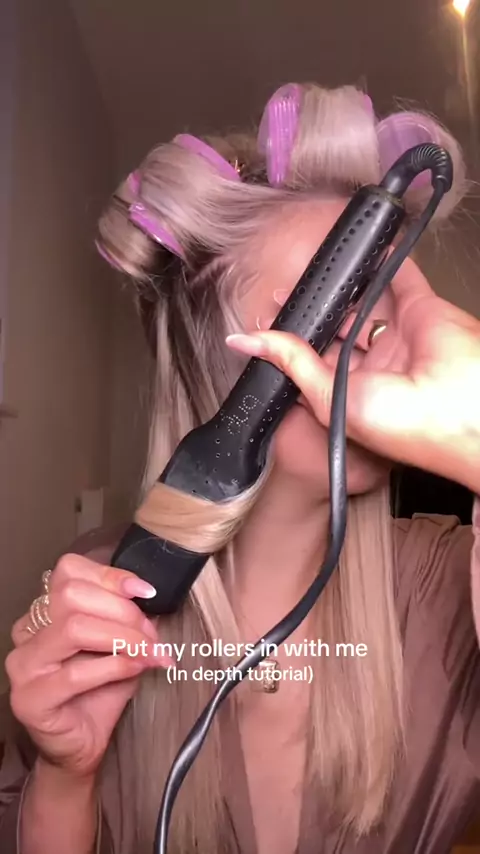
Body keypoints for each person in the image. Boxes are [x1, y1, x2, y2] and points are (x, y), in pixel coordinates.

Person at [1, 82, 480, 854]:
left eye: (386, 314)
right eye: (331, 311)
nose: (379, 350)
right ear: (210, 367)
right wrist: (65, 779)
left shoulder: (451, 584)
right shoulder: (103, 593)